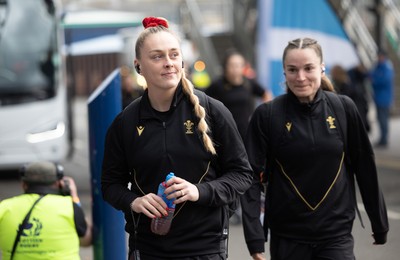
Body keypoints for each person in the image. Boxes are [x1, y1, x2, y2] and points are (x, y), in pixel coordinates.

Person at [101, 17, 253, 260]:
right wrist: (134, 201)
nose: (168, 63)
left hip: (205, 249)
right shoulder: (125, 122)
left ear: (183, 60)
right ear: (138, 65)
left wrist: (199, 191)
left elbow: (242, 175)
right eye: (157, 56)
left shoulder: (213, 111)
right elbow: (110, 185)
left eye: (174, 55)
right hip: (148, 249)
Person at [241, 37, 389, 260]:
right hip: (288, 237)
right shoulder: (268, 115)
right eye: (292, 70)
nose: (300, 77)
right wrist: (255, 239)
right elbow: (250, 178)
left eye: (308, 68)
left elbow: (364, 166)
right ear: (284, 72)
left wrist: (379, 223)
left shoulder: (343, 108)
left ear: (321, 68)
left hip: (336, 235)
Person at [0, 161, 92, 260]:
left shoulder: (4, 207)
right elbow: (86, 241)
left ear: (24, 184)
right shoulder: (69, 206)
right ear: (59, 184)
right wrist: (74, 198)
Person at [205, 49, 272, 140]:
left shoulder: (249, 83)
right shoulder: (218, 84)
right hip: (225, 131)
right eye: (231, 65)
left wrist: (262, 114)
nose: (235, 69)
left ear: (243, 67)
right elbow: (203, 99)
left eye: (238, 65)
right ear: (225, 67)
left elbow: (266, 94)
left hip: (246, 131)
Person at [369, 49, 394, 147]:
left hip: (384, 98)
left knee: (383, 119)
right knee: (380, 118)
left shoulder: (387, 67)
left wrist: (374, 80)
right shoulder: (378, 66)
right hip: (378, 97)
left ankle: (384, 139)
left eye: (380, 56)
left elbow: (384, 80)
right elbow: (371, 75)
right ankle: (382, 138)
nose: (379, 58)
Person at [347, 64, 371, 132]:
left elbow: (367, 76)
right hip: (356, 97)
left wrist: (361, 71)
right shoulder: (351, 71)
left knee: (363, 114)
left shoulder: (361, 73)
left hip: (361, 97)